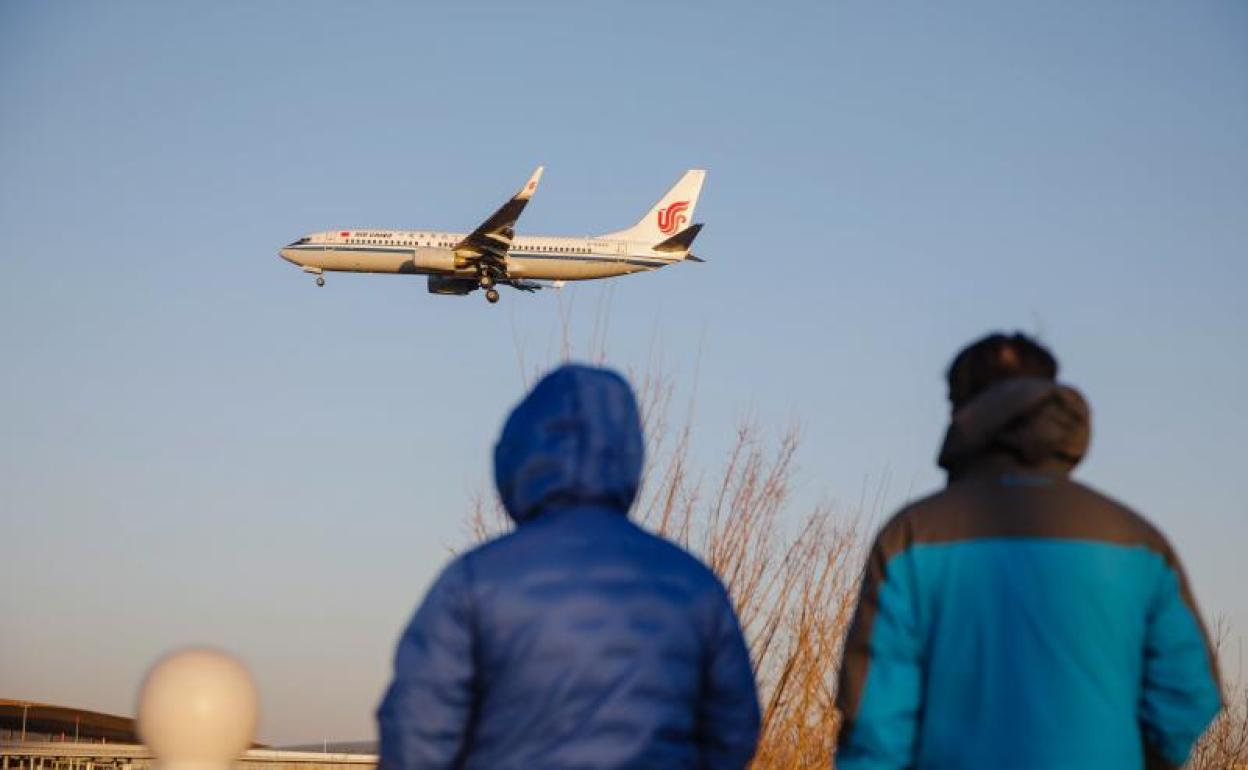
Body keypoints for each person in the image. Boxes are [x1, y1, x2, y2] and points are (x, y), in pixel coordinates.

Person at [835, 333, 1223, 770]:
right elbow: (1190, 691)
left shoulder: (912, 537)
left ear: (965, 411)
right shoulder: (1138, 542)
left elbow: (875, 723)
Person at [378, 364, 760, 770]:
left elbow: (416, 730)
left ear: (516, 455)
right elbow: (734, 729)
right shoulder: (696, 585)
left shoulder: (472, 581)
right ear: (629, 456)